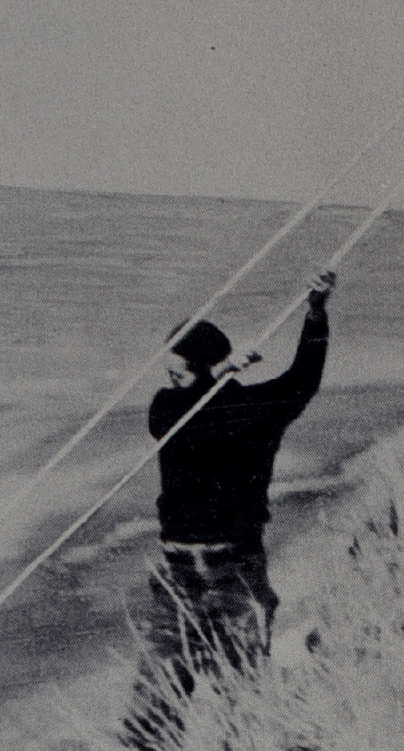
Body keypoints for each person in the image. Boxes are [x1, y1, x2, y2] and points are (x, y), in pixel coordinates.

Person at [121, 272, 334, 750]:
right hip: (177, 578)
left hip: (234, 574)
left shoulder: (255, 408)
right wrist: (213, 377)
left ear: (201, 365)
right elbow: (180, 416)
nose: (170, 378)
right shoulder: (170, 408)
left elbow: (304, 379)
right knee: (151, 713)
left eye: (179, 369)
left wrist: (316, 314)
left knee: (240, 706)